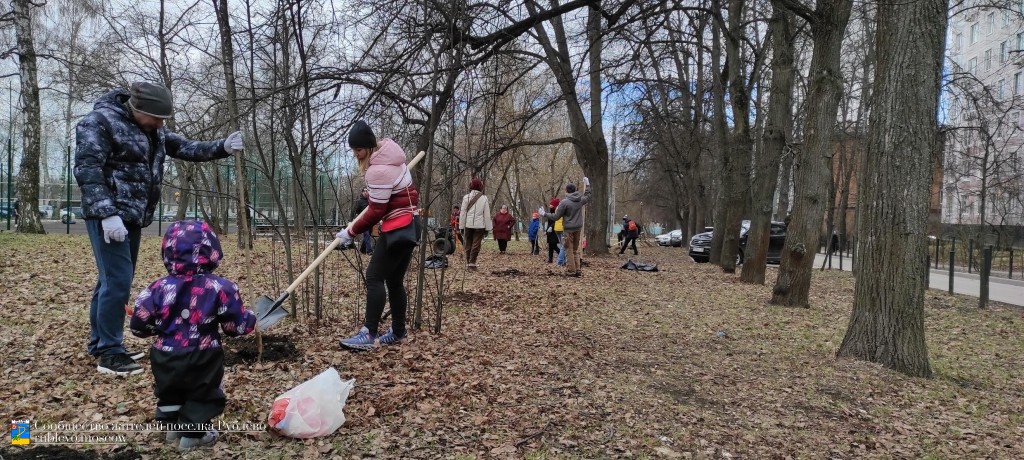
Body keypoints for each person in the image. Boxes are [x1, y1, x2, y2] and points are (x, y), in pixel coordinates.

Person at [75, 81, 243, 375]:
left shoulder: (154, 130)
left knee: (110, 281)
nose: (160, 124)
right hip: (110, 216)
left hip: (134, 215)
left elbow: (185, 147)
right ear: (137, 108)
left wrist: (223, 147)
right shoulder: (99, 122)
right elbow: (87, 168)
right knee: (117, 281)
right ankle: (110, 353)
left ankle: (100, 343)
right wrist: (106, 213)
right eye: (156, 117)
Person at [129, 220, 256, 451]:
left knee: (170, 390)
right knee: (203, 392)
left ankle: (171, 429)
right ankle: (193, 435)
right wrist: (250, 319)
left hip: (165, 354)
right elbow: (233, 326)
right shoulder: (221, 287)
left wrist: (156, 329)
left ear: (167, 250)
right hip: (203, 355)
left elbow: (138, 324)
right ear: (212, 250)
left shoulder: (156, 288)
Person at [336, 121, 419, 351]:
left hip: (398, 228)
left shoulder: (378, 170)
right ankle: (399, 332)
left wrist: (350, 232)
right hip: (411, 223)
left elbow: (376, 211)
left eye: (359, 150)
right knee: (394, 280)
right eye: (353, 150)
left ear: (370, 147)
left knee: (374, 276)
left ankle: (368, 333)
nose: (355, 154)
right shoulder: (392, 155)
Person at [539, 178, 592, 276]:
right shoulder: (580, 200)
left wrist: (544, 214)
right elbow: (588, 196)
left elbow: (556, 216)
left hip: (568, 229)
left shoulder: (564, 203)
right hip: (578, 228)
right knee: (575, 250)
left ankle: (571, 270)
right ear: (575, 190)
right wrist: (587, 185)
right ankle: (577, 269)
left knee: (569, 249)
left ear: (567, 191)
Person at [459, 178, 491, 270]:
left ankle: (469, 262)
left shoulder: (466, 197)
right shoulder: (484, 198)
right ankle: (472, 263)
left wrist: (461, 226)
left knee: (468, 243)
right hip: (480, 225)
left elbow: (463, 213)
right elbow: (487, 214)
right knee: (476, 244)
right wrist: (487, 228)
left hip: (468, 224)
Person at [351, 187, 374, 255]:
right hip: (363, 221)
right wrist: (353, 219)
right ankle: (369, 251)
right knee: (366, 235)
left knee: (368, 235)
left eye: (367, 191)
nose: (366, 192)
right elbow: (354, 211)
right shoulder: (359, 202)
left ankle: (362, 249)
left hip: (370, 221)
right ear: (362, 192)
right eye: (364, 191)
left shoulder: (371, 201)